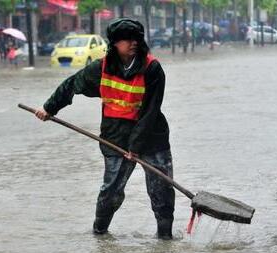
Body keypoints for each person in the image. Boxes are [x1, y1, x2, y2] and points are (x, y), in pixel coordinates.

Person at [34, 18, 175, 240]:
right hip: (115, 138)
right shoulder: (102, 67)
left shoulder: (152, 68)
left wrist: (135, 146)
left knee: (162, 191)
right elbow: (72, 84)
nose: (133, 43)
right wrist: (49, 108)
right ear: (115, 43)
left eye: (136, 38)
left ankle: (165, 239)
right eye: (127, 39)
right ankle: (100, 235)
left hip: (151, 137)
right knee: (111, 191)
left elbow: (150, 111)